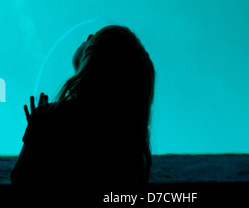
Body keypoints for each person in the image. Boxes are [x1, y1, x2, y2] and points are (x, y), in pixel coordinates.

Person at [10, 25, 155, 202]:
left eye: (93, 39)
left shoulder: (47, 117)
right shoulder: (126, 136)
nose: (88, 35)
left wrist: (38, 128)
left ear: (93, 59)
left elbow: (20, 179)